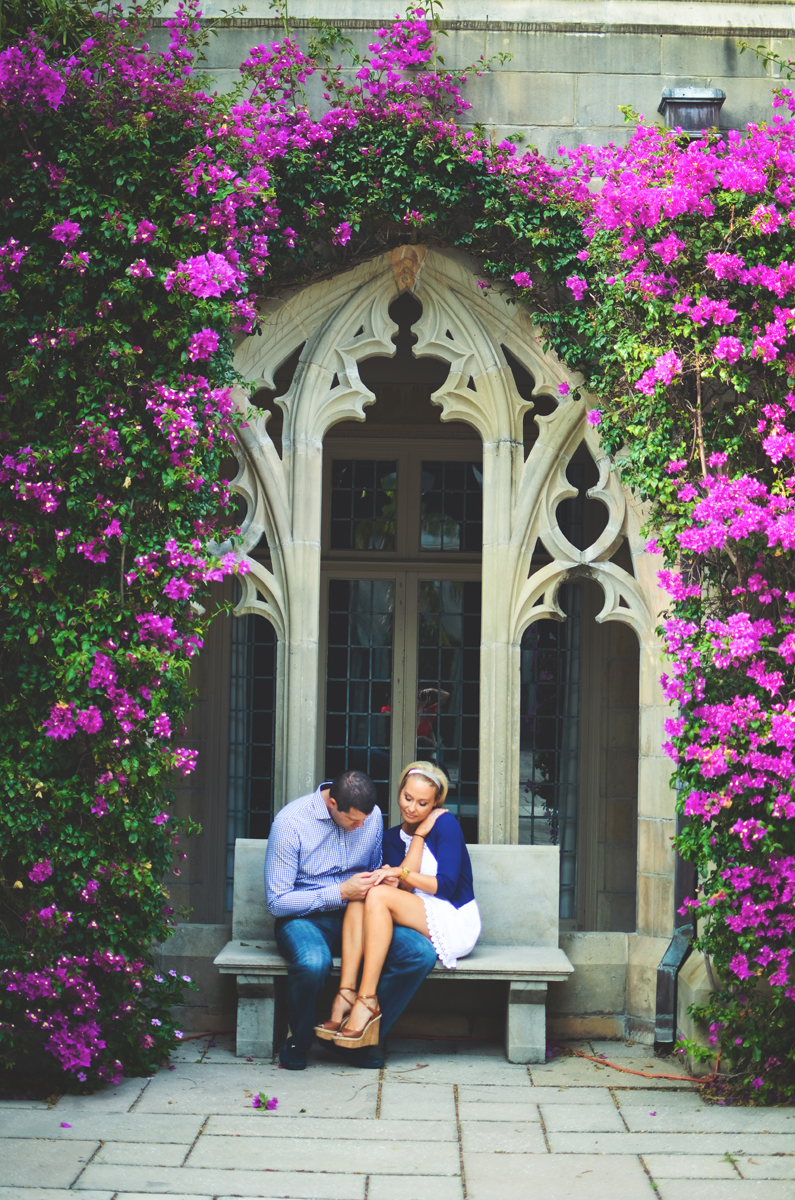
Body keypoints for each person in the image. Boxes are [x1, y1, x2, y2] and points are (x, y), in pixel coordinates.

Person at [264, 768, 438, 1070]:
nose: (361, 826)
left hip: (361, 915)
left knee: (419, 954)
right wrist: (340, 892)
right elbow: (278, 902)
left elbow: (371, 866)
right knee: (313, 963)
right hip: (305, 917)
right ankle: (299, 1040)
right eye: (353, 820)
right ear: (333, 805)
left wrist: (383, 881)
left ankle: (358, 1039)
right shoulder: (290, 824)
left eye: (365, 820)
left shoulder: (370, 816)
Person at [316, 760, 481, 1049]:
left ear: (435, 804)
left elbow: (446, 886)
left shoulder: (446, 825)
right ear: (400, 790)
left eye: (423, 803)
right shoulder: (392, 836)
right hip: (418, 912)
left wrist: (402, 868)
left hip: (453, 918)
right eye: (407, 798)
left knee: (377, 894)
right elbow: (405, 888)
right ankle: (345, 993)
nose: (412, 808)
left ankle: (367, 1001)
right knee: (363, 892)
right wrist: (416, 837)